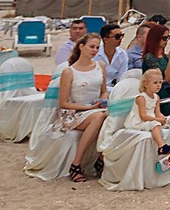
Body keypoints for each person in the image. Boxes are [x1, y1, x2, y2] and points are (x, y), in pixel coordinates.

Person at [50, 32, 109, 182]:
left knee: (105, 115)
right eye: (91, 46)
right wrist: (88, 107)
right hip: (73, 112)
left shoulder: (100, 66)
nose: (94, 50)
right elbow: (63, 103)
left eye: (97, 47)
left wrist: (103, 100)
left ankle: (100, 159)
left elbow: (103, 91)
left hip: (97, 109)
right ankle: (77, 163)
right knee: (100, 117)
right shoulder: (69, 72)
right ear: (81, 47)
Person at [137, 22, 170, 115]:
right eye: (164, 38)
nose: (166, 41)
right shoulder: (149, 58)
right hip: (158, 98)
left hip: (168, 96)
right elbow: (166, 78)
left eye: (168, 37)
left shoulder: (163, 57)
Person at [97, 22, 132, 91]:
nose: (121, 38)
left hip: (113, 90)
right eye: (117, 36)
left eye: (122, 35)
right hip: (94, 89)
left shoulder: (123, 55)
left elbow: (121, 79)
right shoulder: (94, 54)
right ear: (105, 39)